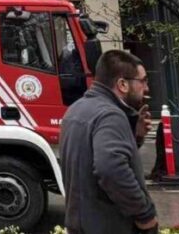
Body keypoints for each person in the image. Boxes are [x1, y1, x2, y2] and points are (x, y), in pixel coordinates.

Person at [60, 49, 157, 234]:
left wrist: (134, 137)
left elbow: (90, 160)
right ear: (122, 84)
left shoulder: (75, 110)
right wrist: (145, 215)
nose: (146, 88)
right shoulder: (110, 115)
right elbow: (110, 167)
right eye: (142, 81)